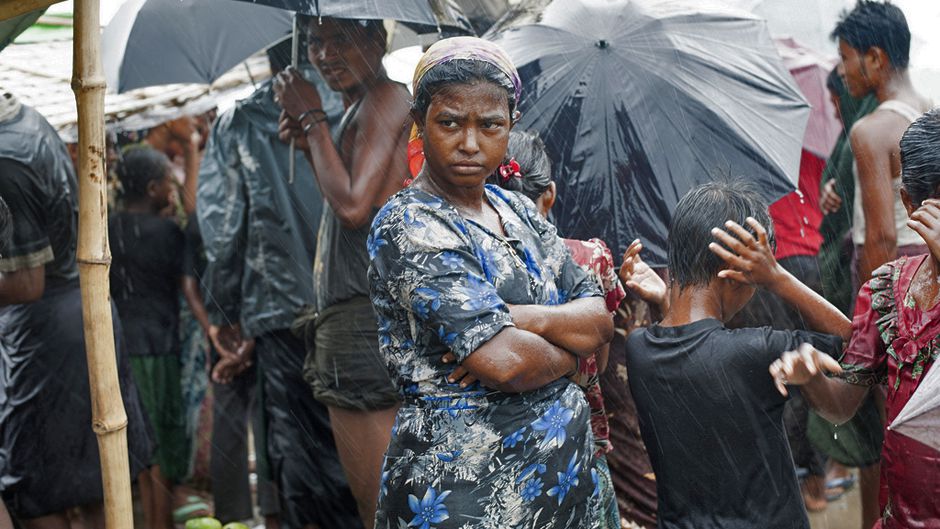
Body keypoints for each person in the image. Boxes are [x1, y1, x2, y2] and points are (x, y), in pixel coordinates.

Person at [368, 36, 614, 529]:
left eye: (490, 125)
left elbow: (600, 319)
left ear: (512, 125)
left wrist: (523, 319)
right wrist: (570, 354)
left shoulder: (518, 209)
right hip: (467, 493)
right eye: (450, 123)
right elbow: (505, 365)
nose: (470, 143)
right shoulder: (410, 225)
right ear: (419, 122)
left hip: (563, 482)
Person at [619, 181, 851, 528]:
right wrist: (778, 278)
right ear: (738, 275)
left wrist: (665, 301)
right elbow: (856, 342)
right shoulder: (756, 351)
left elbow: (684, 348)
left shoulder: (638, 350)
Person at [197, 38, 359, 529]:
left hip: (278, 307)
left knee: (296, 444)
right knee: (355, 432)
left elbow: (222, 228)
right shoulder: (351, 105)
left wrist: (225, 313)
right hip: (352, 301)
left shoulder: (239, 121)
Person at [771, 108, 940, 529]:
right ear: (910, 205)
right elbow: (842, 406)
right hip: (902, 512)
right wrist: (810, 377)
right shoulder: (887, 290)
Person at [273, 16, 409, 528]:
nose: (325, 54)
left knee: (380, 506)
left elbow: (353, 206)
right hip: (355, 313)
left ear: (377, 40)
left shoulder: (386, 97)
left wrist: (312, 120)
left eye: (340, 39)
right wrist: (314, 142)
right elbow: (349, 200)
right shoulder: (360, 104)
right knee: (382, 502)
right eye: (315, 42)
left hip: (363, 319)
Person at [0, 91, 152, 529]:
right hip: (81, 315)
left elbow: (26, 283)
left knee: (42, 490)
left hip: (50, 335)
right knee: (93, 481)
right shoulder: (24, 119)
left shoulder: (6, 155)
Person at [490, 130, 624, 528]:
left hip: (507, 441)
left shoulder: (477, 270)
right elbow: (598, 355)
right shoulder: (590, 257)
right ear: (548, 194)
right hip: (579, 432)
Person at [109, 146, 189, 529]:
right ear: (154, 187)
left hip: (118, 348)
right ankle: (161, 523)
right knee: (161, 443)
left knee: (138, 444)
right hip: (159, 347)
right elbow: (187, 285)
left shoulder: (106, 228)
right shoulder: (168, 232)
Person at [833, 0, 932, 288]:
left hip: (894, 273)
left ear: (876, 58)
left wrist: (873, 313)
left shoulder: (871, 131)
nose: (840, 70)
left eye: (845, 57)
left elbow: (882, 238)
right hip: (927, 268)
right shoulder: (930, 110)